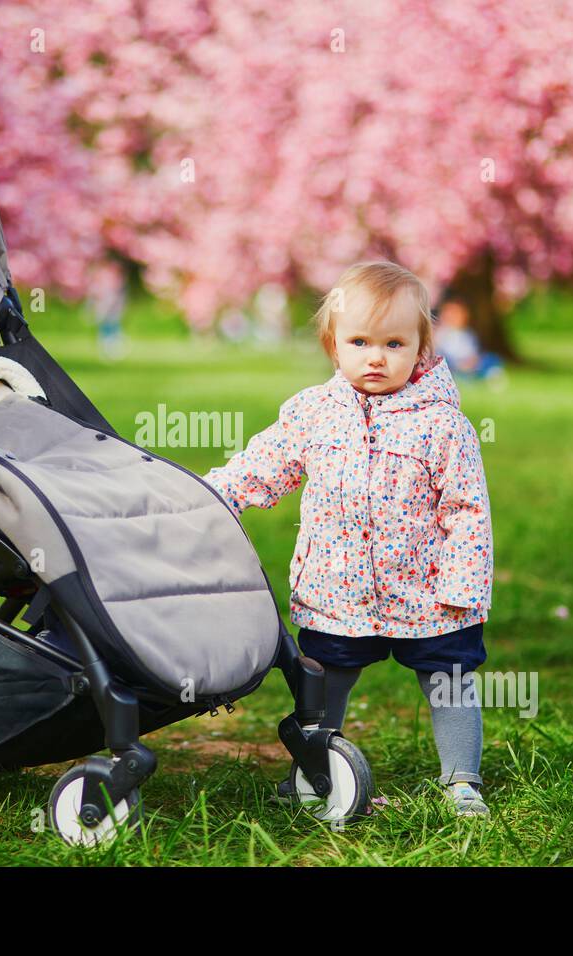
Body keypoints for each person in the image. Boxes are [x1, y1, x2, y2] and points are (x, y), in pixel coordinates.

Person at [202, 261, 495, 817]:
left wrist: (462, 585)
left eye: (394, 343)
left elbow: (467, 509)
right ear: (333, 345)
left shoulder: (443, 425)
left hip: (428, 592)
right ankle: (315, 768)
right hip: (337, 587)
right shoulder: (314, 414)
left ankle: (462, 780)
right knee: (324, 679)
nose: (377, 357)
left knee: (450, 680)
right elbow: (263, 466)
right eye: (360, 341)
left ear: (422, 347)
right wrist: (214, 495)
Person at [433, 287, 504, 380]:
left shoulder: (467, 334)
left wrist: (471, 361)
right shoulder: (442, 332)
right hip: (452, 363)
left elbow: (473, 353)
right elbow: (439, 350)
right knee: (446, 362)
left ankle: (487, 373)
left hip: (468, 363)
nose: (453, 317)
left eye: (457, 314)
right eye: (450, 313)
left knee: (491, 358)